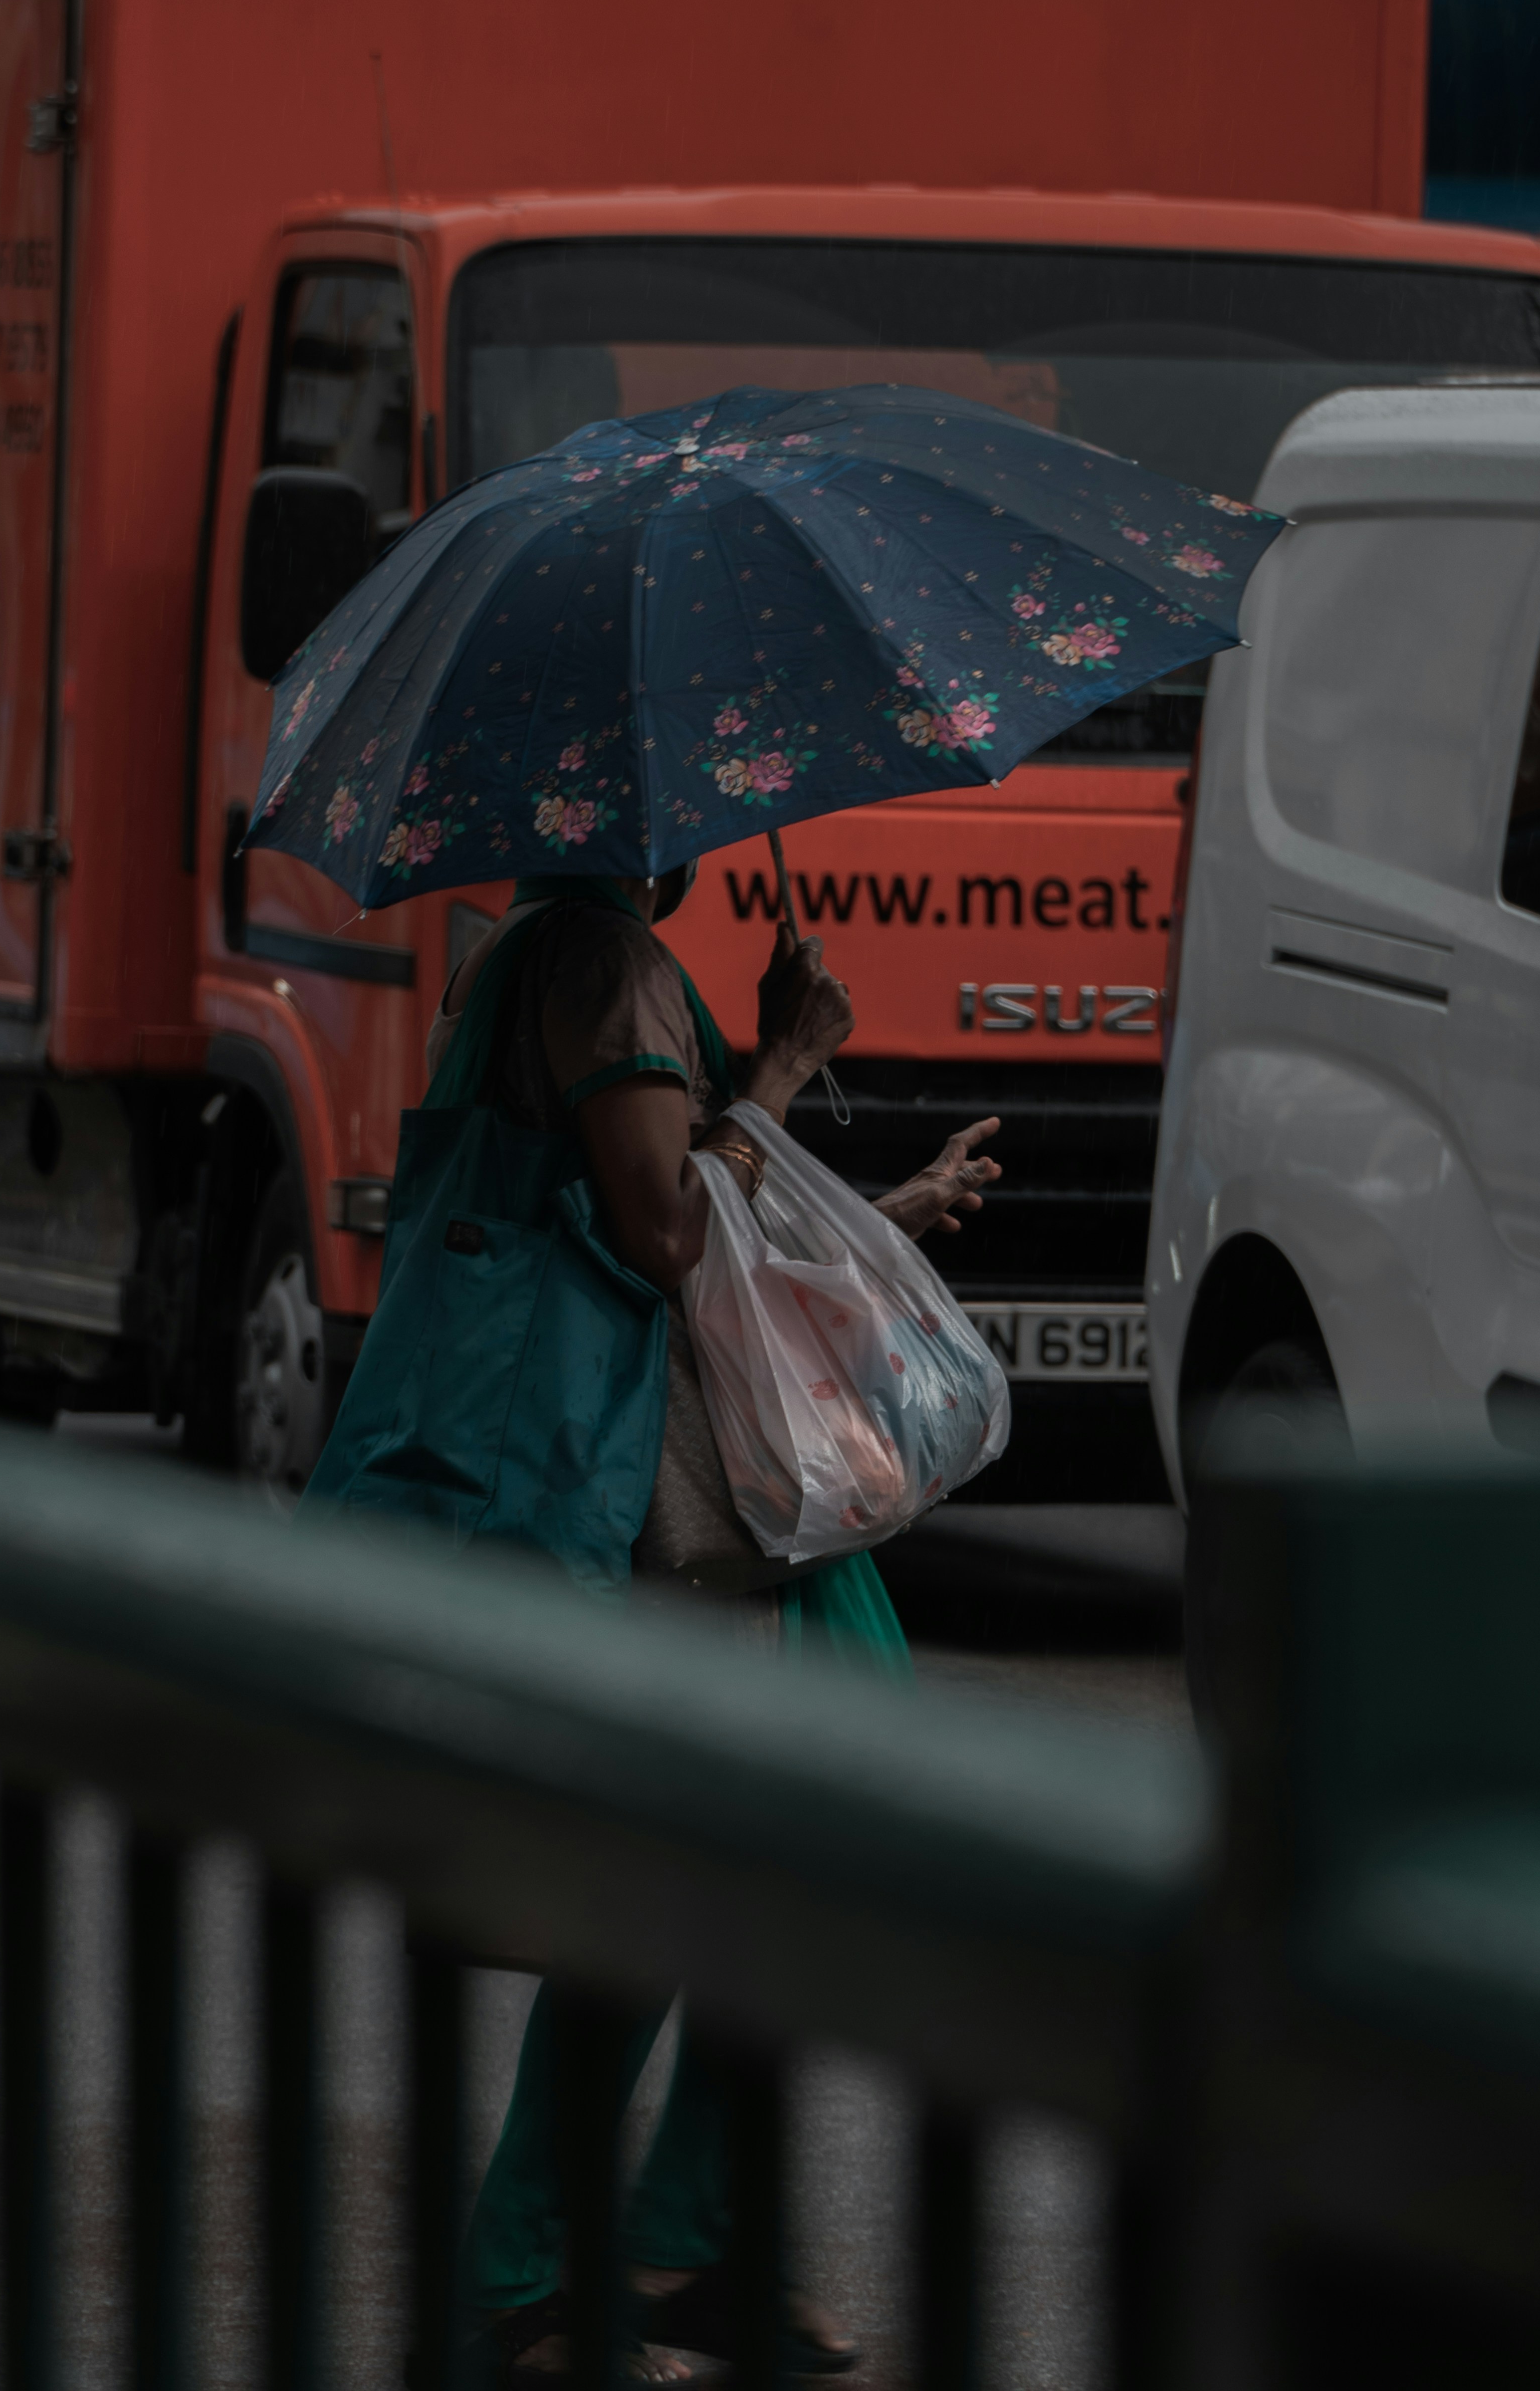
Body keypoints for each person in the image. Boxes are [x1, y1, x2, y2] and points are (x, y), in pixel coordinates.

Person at [309, 862, 1001, 2383]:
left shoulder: (525, 962)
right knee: (746, 1850)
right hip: (634, 1491)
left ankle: (656, 2240)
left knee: (739, 1856)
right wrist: (790, 1062)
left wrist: (877, 1211)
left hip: (643, 1478)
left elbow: (651, 1213)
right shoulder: (606, 964)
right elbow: (664, 1233)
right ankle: (574, 2260)